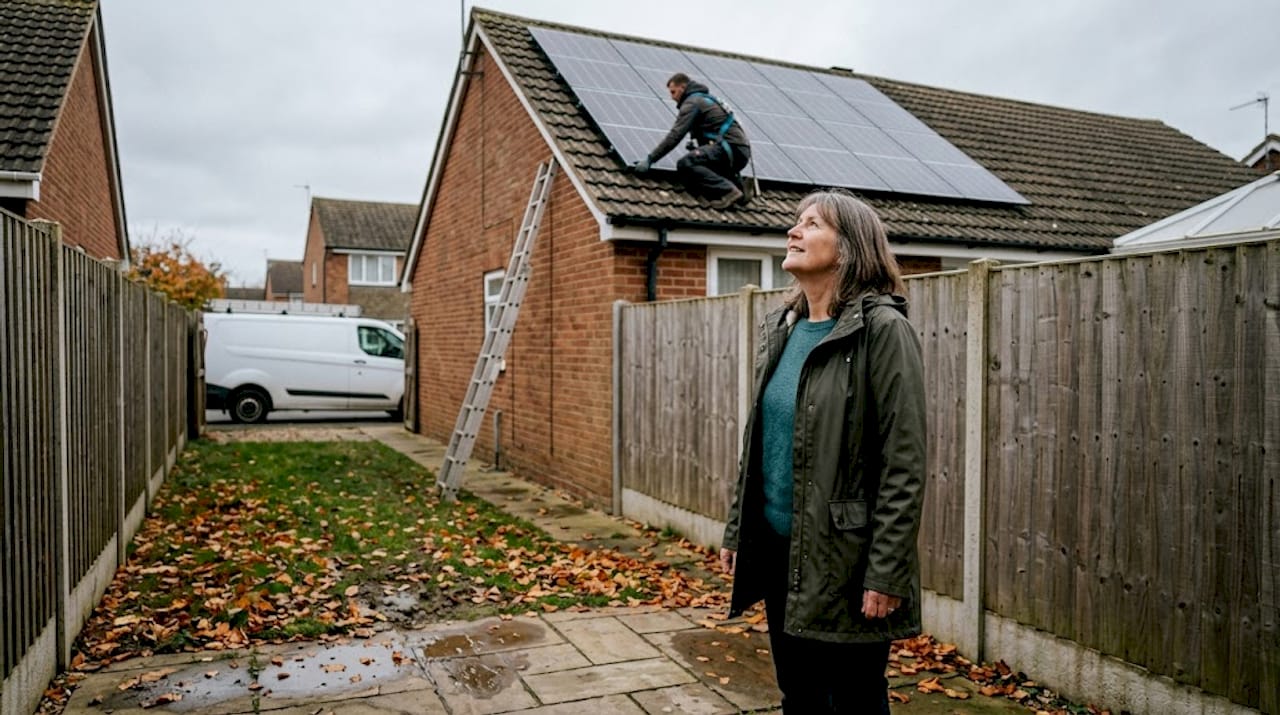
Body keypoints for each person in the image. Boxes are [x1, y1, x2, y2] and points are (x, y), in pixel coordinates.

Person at [718, 189, 927, 714]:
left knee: (854, 700)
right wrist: (737, 529)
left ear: (850, 246)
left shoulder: (882, 330)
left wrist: (886, 572)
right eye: (796, 221)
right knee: (799, 696)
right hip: (779, 551)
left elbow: (903, 463)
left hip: (845, 560)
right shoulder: (782, 330)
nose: (794, 231)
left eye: (810, 224)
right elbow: (762, 441)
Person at [630, 73, 752, 209]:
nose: (672, 97)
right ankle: (739, 191)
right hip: (739, 151)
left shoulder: (692, 102)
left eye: (673, 92)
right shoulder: (707, 100)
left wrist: (651, 159)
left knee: (686, 164)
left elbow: (675, 135)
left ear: (683, 87)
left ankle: (729, 190)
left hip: (728, 148)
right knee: (703, 163)